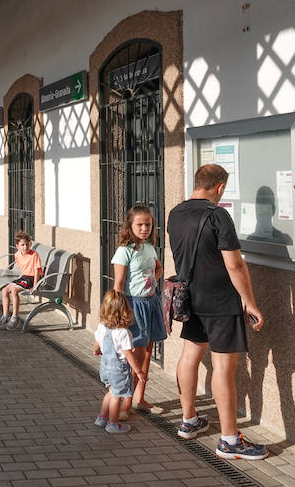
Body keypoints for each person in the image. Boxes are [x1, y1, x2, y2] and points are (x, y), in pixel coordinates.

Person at [167, 164, 267, 460]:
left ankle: (188, 421)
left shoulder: (175, 213)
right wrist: (249, 301)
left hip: (189, 298)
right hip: (221, 302)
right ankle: (229, 441)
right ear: (220, 188)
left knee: (190, 356)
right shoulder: (217, 215)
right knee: (223, 368)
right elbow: (234, 265)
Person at [110, 204, 165, 416]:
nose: (144, 228)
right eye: (140, 224)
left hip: (151, 302)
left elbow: (157, 268)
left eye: (148, 224)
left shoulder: (149, 247)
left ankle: (139, 399)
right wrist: (119, 313)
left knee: (148, 351)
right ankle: (125, 403)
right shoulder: (124, 251)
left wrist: (151, 281)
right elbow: (119, 283)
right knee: (137, 355)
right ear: (130, 226)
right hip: (134, 305)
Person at [92, 290, 147, 433]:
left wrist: (96, 349)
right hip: (118, 370)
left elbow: (97, 342)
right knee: (117, 396)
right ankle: (113, 423)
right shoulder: (124, 333)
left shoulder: (102, 327)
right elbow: (128, 354)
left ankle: (102, 417)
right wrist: (139, 371)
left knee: (110, 392)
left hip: (105, 367)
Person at [0, 230, 43, 330]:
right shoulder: (17, 255)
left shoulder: (34, 255)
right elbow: (22, 267)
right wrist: (20, 279)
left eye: (27, 244)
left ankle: (15, 317)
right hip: (24, 277)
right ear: (17, 246)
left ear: (30, 244)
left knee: (14, 290)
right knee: (4, 290)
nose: (25, 247)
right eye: (23, 245)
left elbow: (37, 271)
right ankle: (5, 316)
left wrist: (35, 285)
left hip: (32, 277)